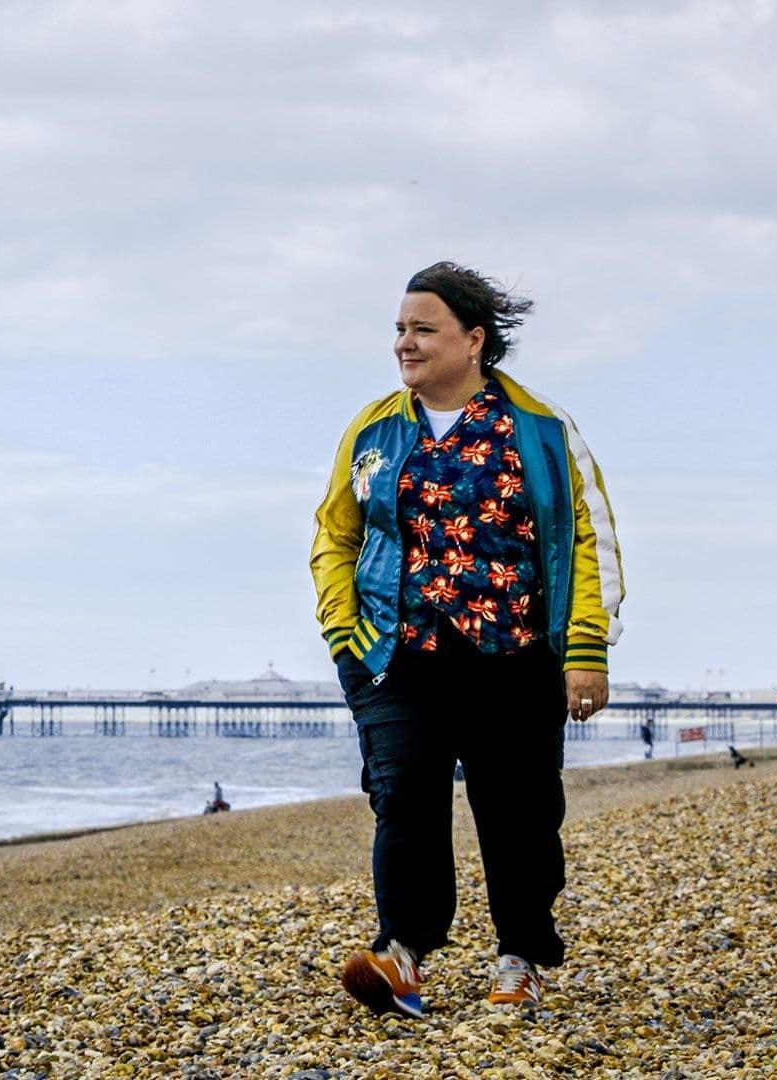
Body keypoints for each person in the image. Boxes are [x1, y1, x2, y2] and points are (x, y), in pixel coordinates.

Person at [310, 262, 625, 1016]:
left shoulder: (543, 430)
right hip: (395, 655)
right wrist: (341, 630)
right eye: (399, 329)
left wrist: (586, 648)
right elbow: (334, 532)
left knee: (518, 813)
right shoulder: (374, 429)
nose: (404, 344)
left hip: (515, 657)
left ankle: (520, 959)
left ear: (473, 339)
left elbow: (589, 538)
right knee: (403, 801)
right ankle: (401, 955)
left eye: (423, 329)